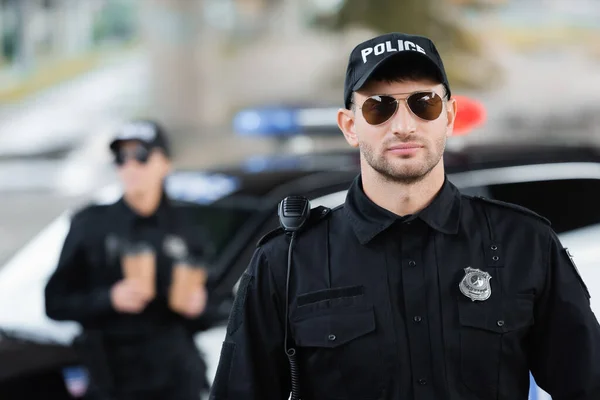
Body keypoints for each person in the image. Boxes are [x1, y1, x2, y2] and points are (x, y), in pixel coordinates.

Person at [209, 32, 600, 400]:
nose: (403, 125)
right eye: (379, 107)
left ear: (448, 116)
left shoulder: (524, 243)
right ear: (350, 126)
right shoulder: (287, 262)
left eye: (423, 103)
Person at [45, 120, 215, 400]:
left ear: (166, 163)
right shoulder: (91, 225)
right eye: (121, 158)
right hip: (113, 379)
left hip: (176, 377)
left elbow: (220, 301)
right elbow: (54, 302)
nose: (130, 167)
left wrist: (199, 305)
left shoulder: (189, 225)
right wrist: (109, 299)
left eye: (142, 156)